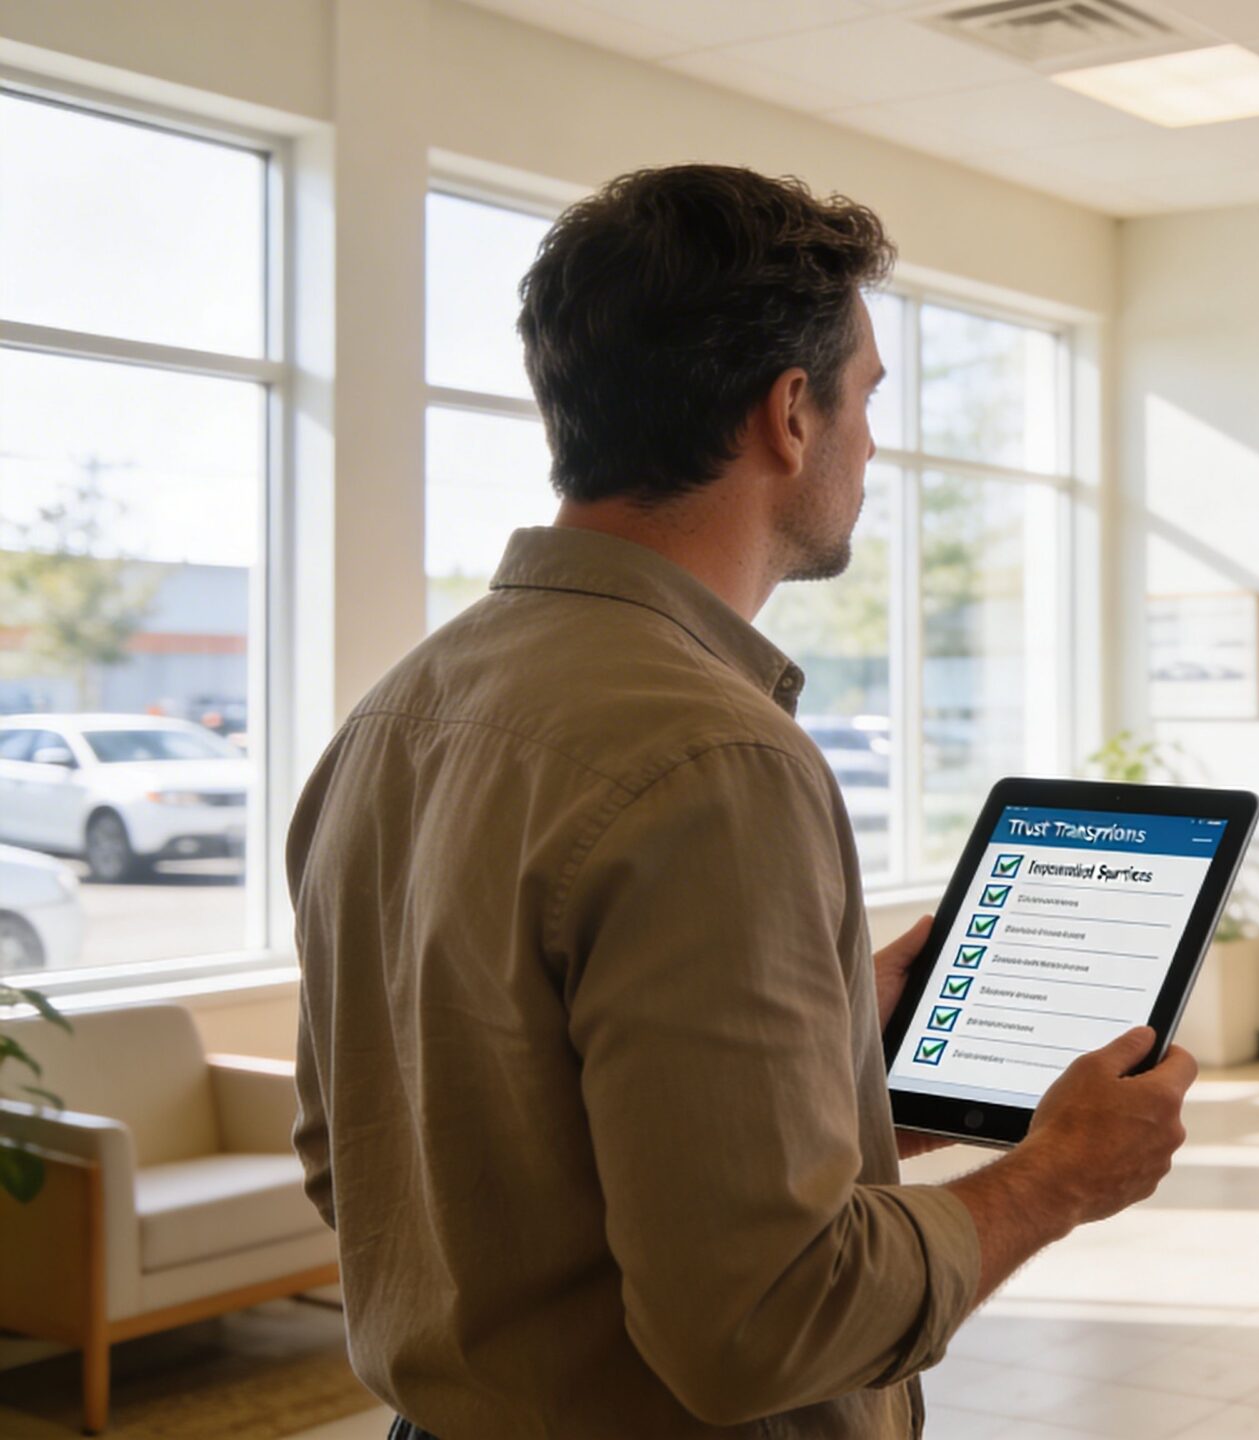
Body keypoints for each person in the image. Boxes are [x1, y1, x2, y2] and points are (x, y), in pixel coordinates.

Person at [288, 165, 1193, 1440]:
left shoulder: (393, 716)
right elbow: (766, 1321)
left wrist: (821, 1081)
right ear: (788, 415)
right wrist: (1054, 1178)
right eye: (866, 396)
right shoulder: (718, 761)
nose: (872, 440)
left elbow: (372, 1159)